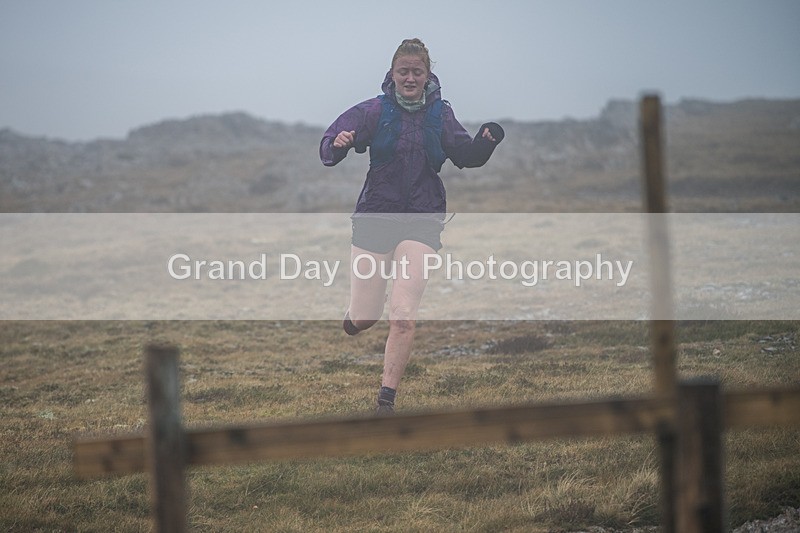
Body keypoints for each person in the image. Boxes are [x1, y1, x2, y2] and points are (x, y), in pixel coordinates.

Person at [320, 38, 504, 415]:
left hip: (423, 218)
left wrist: (486, 141)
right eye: (402, 71)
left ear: (427, 75)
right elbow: (327, 147)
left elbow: (465, 156)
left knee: (402, 315)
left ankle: (385, 400)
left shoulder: (440, 114)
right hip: (375, 217)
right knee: (369, 314)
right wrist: (339, 144)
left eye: (416, 71)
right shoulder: (374, 110)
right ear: (392, 74)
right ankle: (356, 319)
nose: (409, 77)